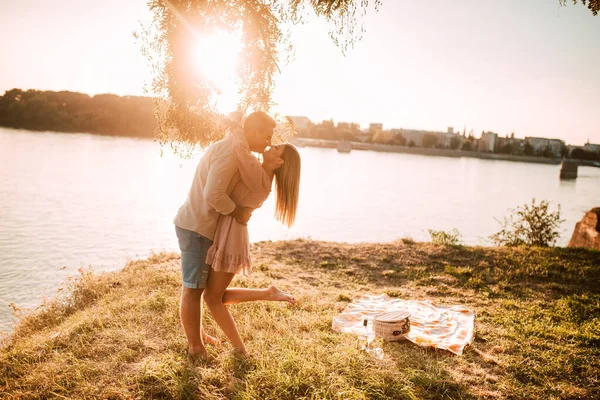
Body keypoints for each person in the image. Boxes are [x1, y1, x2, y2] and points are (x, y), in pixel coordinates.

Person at [173, 111, 275, 359]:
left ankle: (197, 336)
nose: (269, 141)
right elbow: (213, 195)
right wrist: (238, 212)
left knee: (201, 289)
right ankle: (196, 348)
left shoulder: (237, 149)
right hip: (197, 227)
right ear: (251, 131)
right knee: (193, 290)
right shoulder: (230, 153)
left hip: (202, 226)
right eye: (267, 135)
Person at [203, 131, 302, 356]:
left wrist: (237, 125)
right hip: (229, 233)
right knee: (214, 294)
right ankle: (268, 293)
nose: (271, 144)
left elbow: (240, 149)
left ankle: (240, 349)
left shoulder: (259, 178)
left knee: (212, 297)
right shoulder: (259, 175)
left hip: (231, 238)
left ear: (279, 162)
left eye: (276, 148)